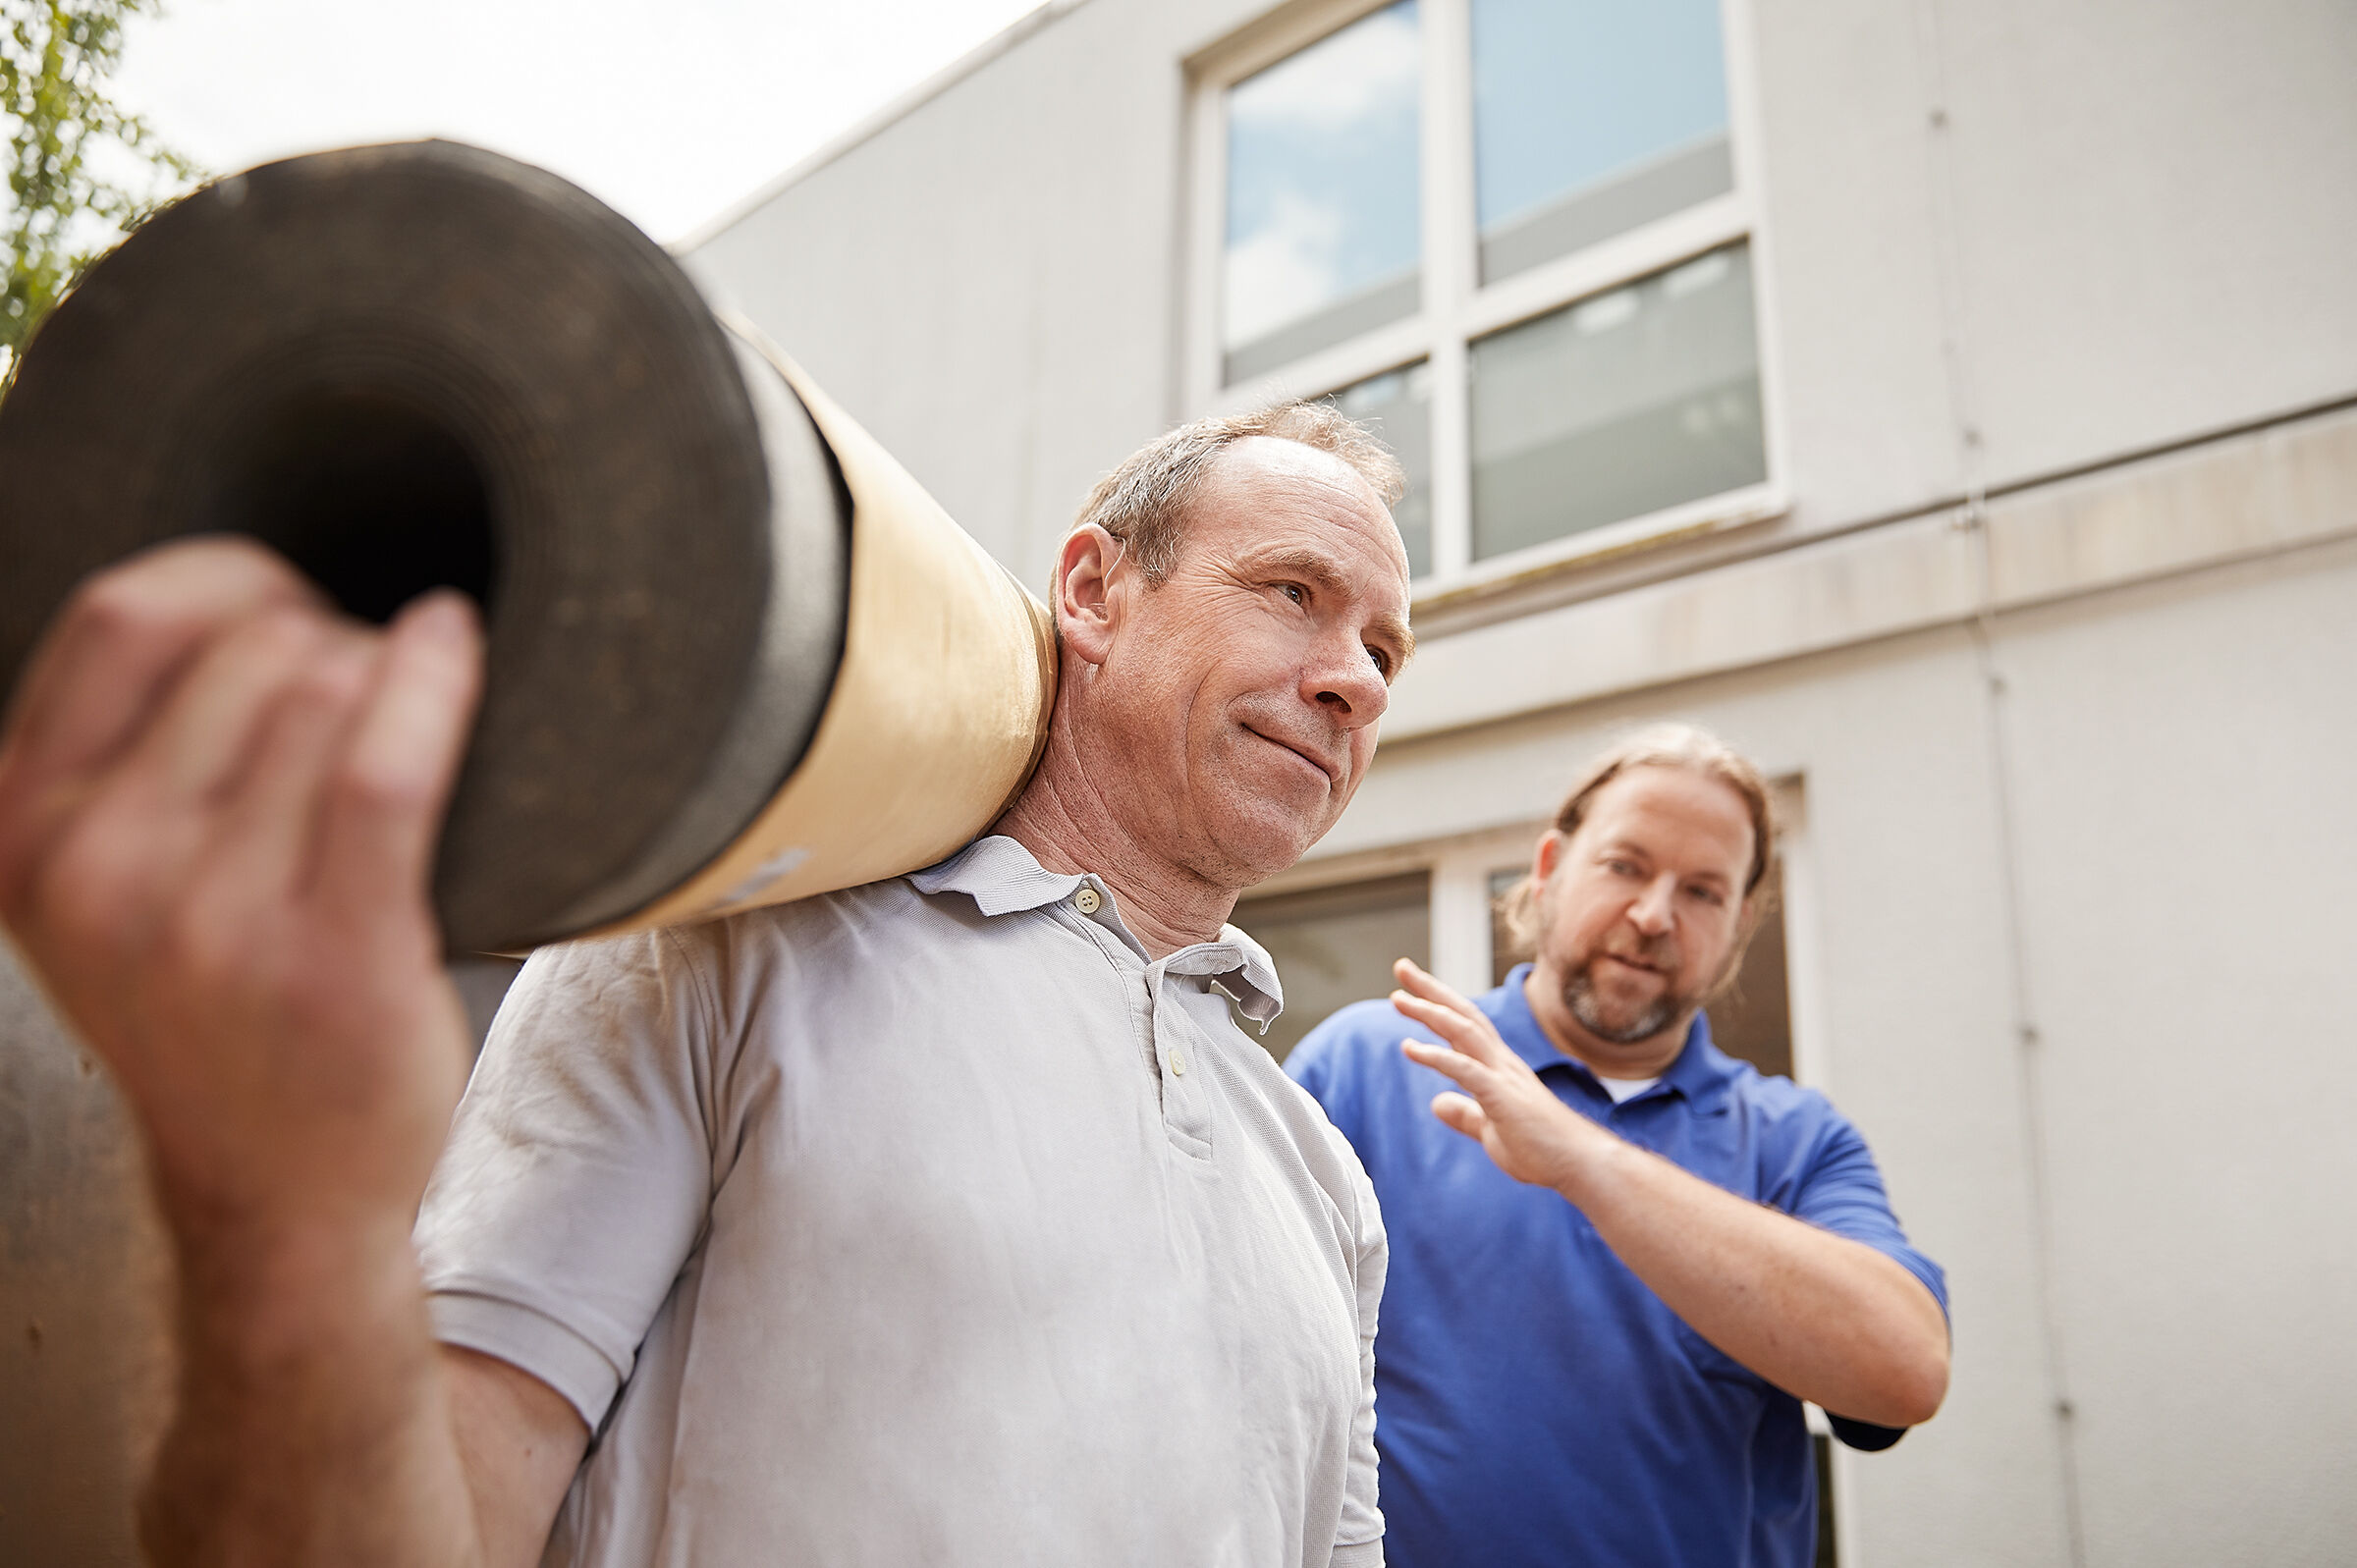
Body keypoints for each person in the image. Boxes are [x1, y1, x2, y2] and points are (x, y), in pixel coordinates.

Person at [0, 402, 1416, 1567]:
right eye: (1294, 592)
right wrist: (285, 1217)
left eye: (1384, 649)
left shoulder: (1327, 1182)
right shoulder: (721, 941)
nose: (1350, 676)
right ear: (1097, 593)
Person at [1285, 725, 1949, 1568]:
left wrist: (1579, 1155)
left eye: (1703, 891)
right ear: (1552, 867)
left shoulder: (1795, 1141)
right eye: (1626, 865)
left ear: (1741, 921)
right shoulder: (1375, 1063)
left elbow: (1905, 1371)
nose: (1652, 914)